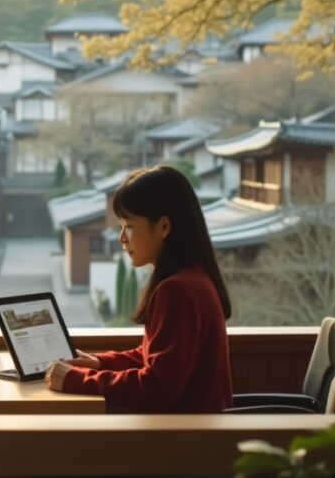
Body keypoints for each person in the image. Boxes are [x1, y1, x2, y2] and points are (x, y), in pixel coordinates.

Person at [45, 165, 233, 413]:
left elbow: (157, 386)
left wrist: (75, 379)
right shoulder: (193, 277)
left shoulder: (177, 290)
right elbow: (156, 359)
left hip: (186, 440)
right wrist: (99, 363)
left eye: (129, 226)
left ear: (164, 226)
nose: (122, 237)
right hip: (195, 432)